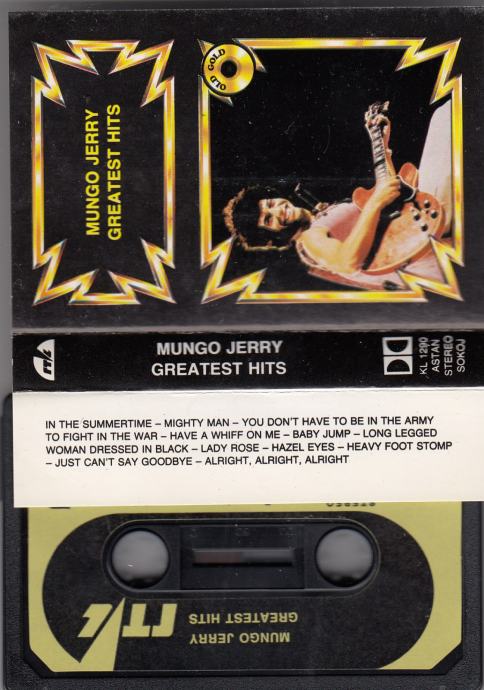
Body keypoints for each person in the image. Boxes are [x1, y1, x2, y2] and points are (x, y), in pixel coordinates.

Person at [222, 102, 452, 290]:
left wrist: (382, 145)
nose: (277, 211)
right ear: (269, 236)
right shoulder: (308, 241)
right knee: (445, 117)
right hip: (427, 240)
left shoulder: (321, 218)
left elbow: (391, 200)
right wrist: (374, 203)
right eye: (268, 219)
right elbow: (347, 262)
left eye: (271, 204)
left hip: (423, 224)